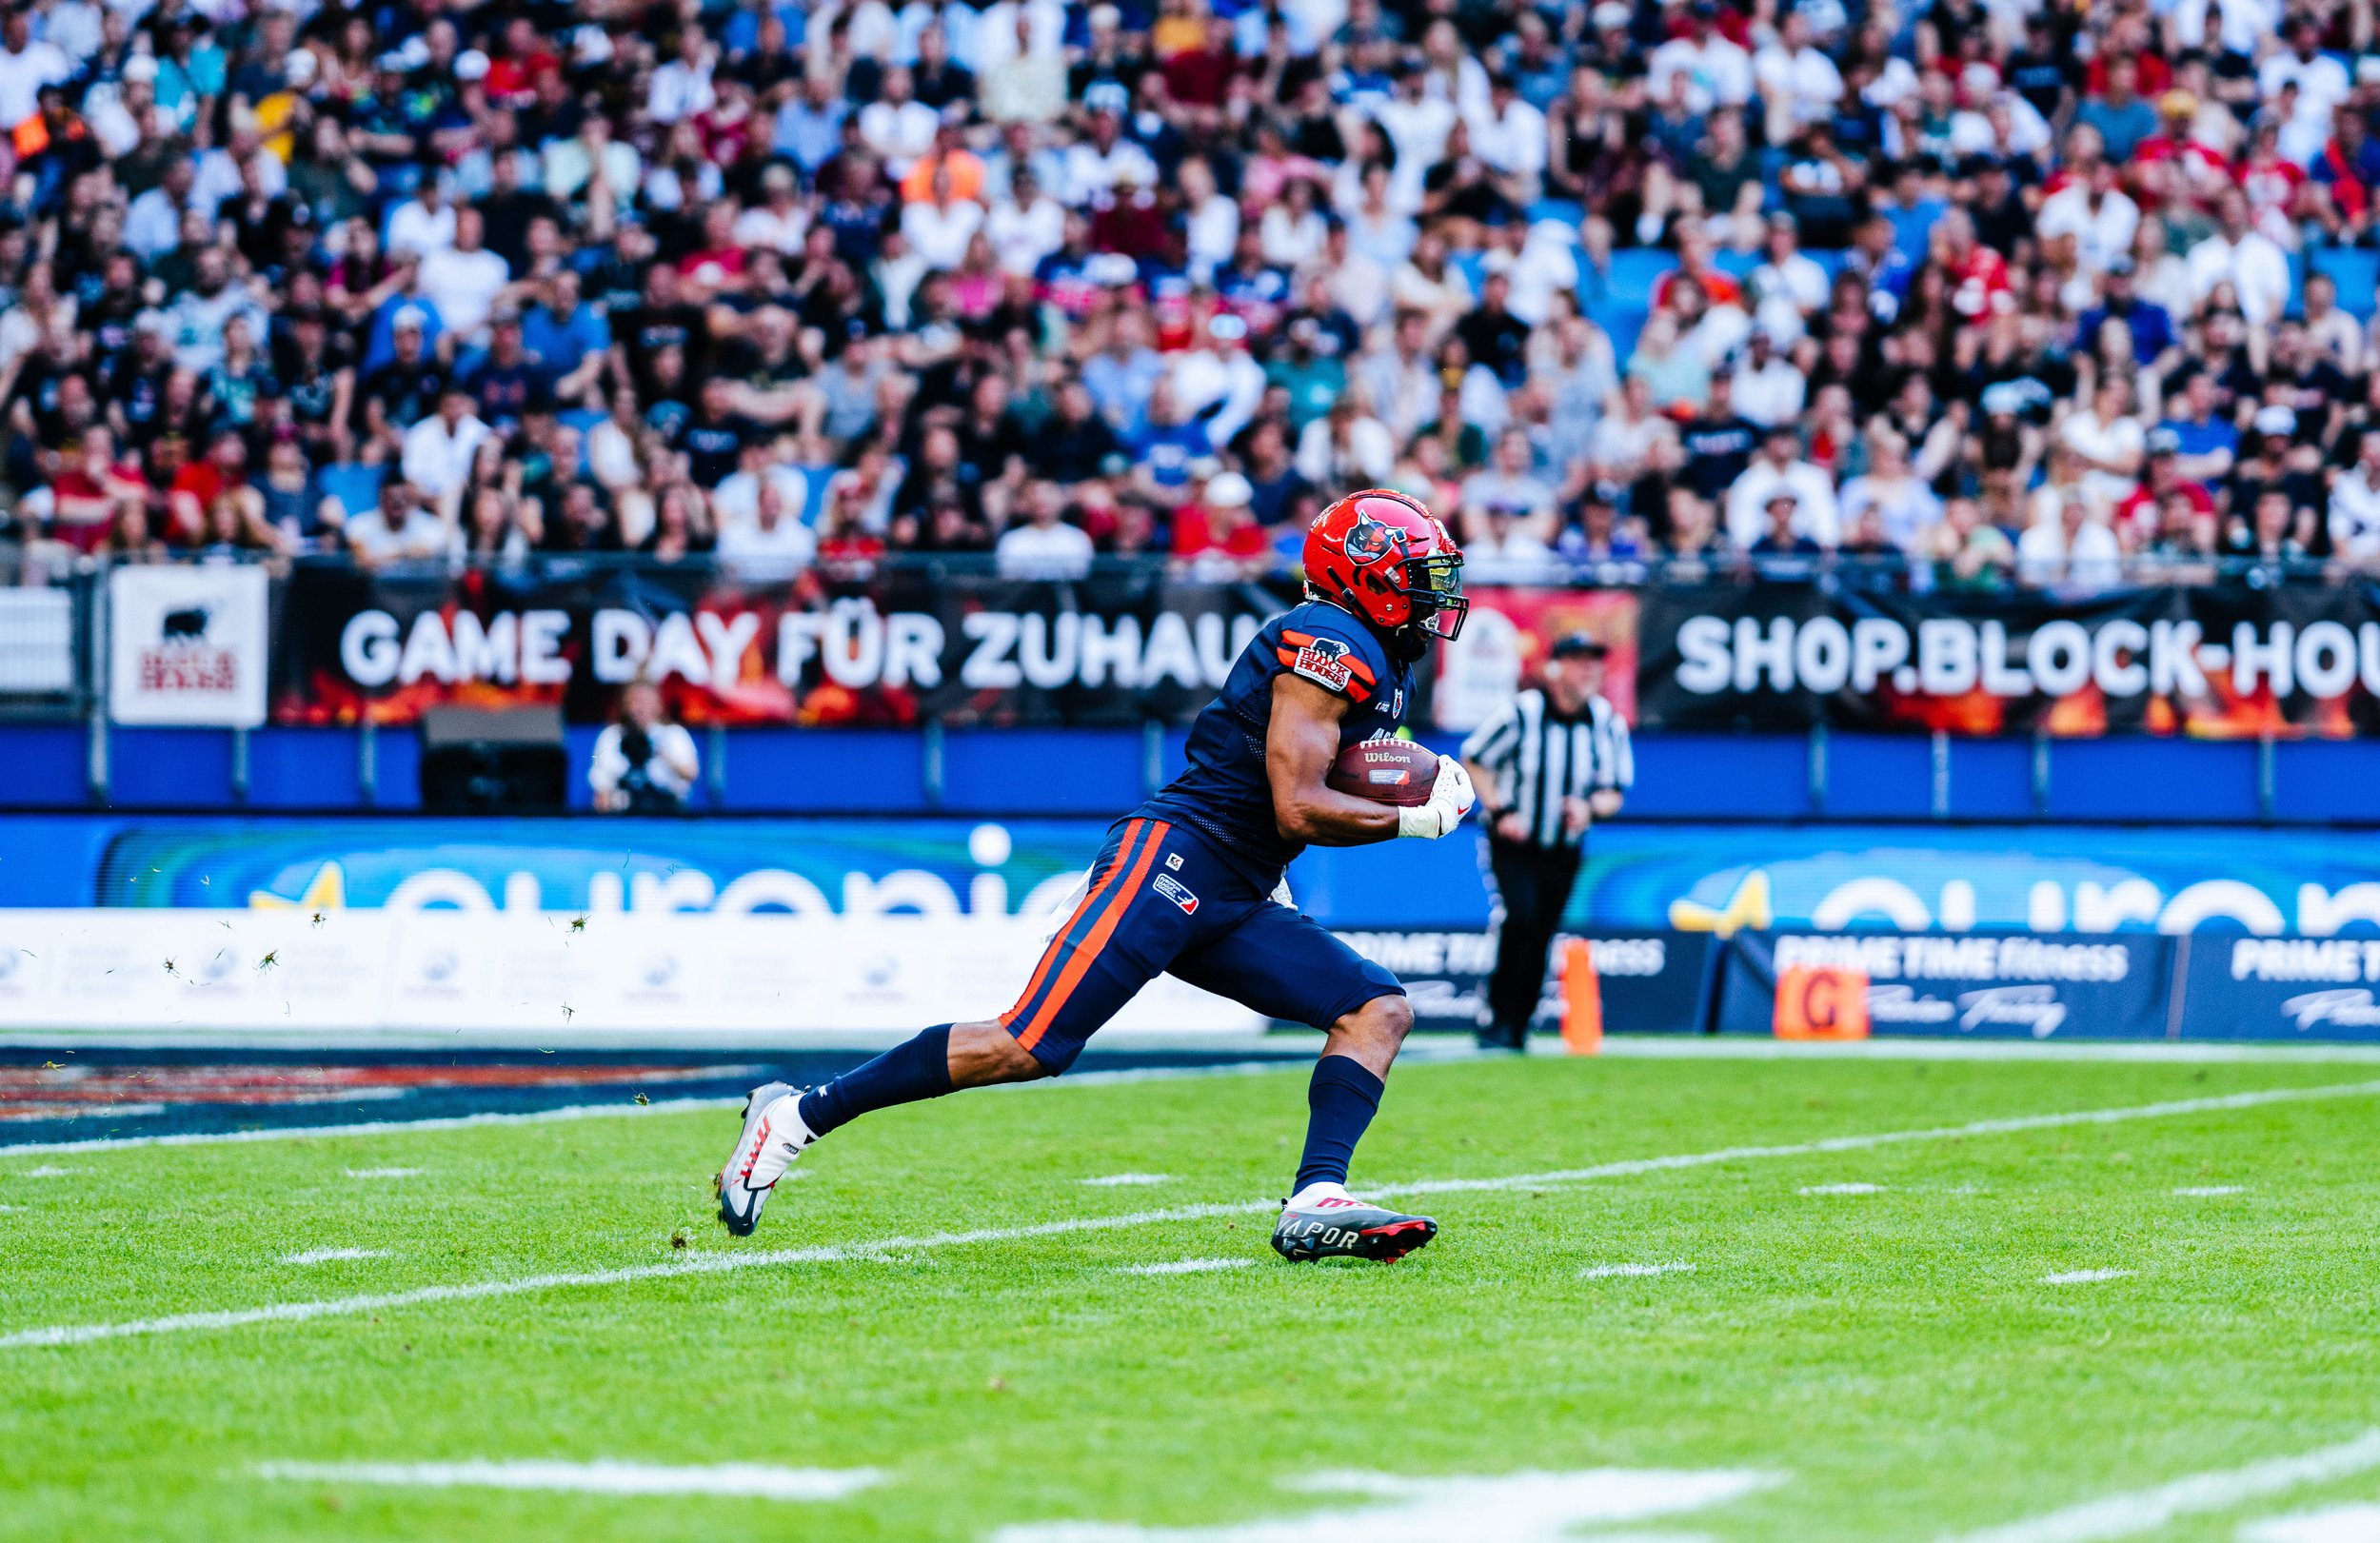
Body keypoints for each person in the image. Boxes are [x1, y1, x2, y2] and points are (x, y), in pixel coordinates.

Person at [715, 491, 1478, 1264]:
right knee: (1029, 1043)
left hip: (1239, 882)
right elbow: (1297, 804)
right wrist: (1416, 817)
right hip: (1176, 857)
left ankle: (1317, 1196)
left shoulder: (1377, 660)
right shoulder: (1327, 637)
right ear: (1367, 573)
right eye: (1419, 575)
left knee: (1375, 1007)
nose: (1433, 596)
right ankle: (797, 1117)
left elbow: (1292, 807)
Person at [1458, 634, 1632, 1052]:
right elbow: (1475, 756)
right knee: (1520, 918)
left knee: (1541, 930)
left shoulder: (1606, 720)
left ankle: (1519, 1024)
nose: (1589, 669)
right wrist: (1501, 810)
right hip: (1515, 843)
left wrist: (1589, 808)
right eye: (1578, 660)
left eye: (1594, 661)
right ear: (1556, 668)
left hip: (1564, 847)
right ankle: (1497, 1017)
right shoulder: (1523, 712)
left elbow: (1614, 791)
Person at [589, 680, 700, 813]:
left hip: (668, 812)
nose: (639, 708)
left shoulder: (673, 734)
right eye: (633, 701)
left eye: (644, 701)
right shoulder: (610, 736)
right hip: (622, 812)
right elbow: (600, 784)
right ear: (624, 705)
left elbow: (691, 774)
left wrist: (664, 756)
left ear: (658, 705)